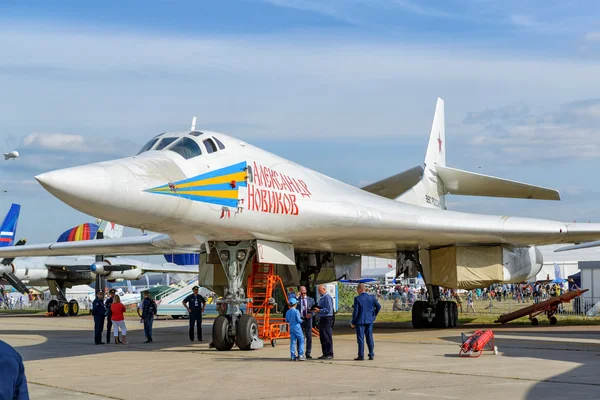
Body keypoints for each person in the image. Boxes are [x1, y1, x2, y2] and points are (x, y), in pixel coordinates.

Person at [350, 283, 381, 361]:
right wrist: (374, 315)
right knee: (369, 337)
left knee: (360, 339)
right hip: (369, 320)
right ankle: (371, 354)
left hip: (360, 321)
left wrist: (353, 322)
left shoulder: (357, 298)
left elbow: (356, 312)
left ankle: (361, 355)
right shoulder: (371, 297)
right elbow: (378, 306)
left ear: (360, 290)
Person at [313, 285, 334, 359]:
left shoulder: (327, 298)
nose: (319, 292)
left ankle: (329, 353)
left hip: (327, 318)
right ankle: (325, 353)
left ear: (324, 289)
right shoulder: (322, 297)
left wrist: (320, 310)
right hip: (322, 317)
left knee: (327, 335)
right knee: (322, 336)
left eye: (320, 290)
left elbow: (329, 309)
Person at [296, 286, 315, 359]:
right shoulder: (297, 300)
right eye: (302, 293)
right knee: (300, 337)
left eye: (304, 293)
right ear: (299, 292)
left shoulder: (311, 300)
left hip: (308, 320)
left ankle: (308, 353)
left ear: (306, 291)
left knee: (309, 337)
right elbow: (291, 306)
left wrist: (311, 314)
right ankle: (300, 353)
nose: (303, 294)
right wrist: (297, 297)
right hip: (300, 319)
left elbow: (314, 310)